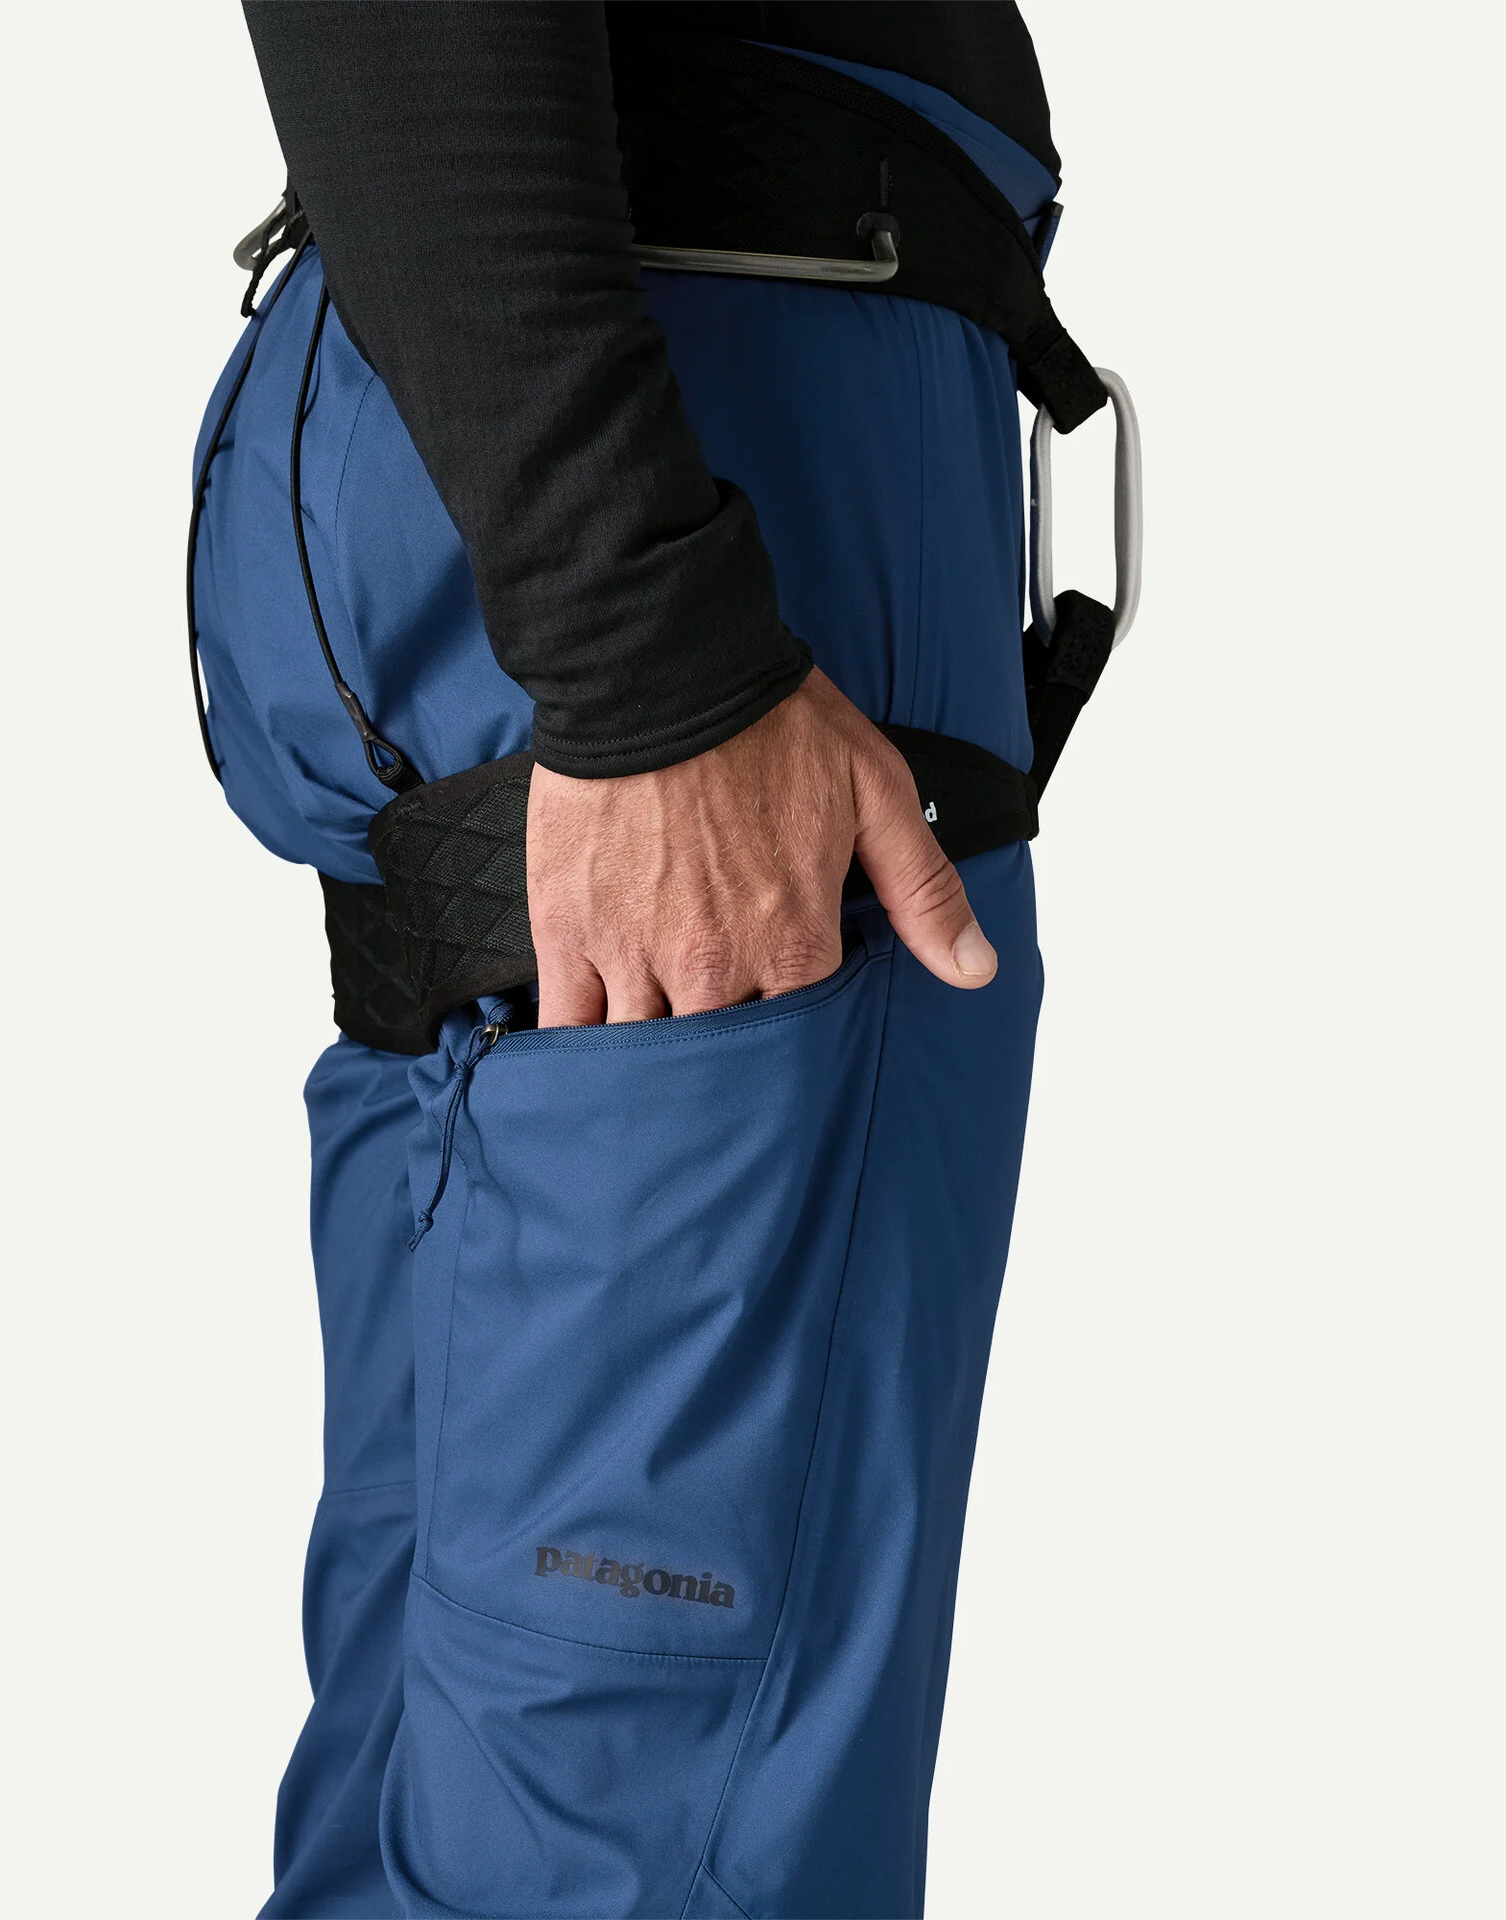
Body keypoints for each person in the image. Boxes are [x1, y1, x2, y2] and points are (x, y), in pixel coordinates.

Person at [190, 5, 1088, 1912]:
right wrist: (646, 644)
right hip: (705, 466)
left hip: (524, 402)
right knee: (640, 1829)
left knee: (463, 1799)